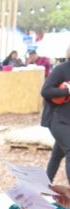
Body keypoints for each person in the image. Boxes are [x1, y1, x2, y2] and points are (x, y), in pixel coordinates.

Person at [41, 54, 70, 183]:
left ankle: (44, 185)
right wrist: (66, 91)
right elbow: (45, 91)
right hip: (57, 118)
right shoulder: (61, 69)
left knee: (57, 155)